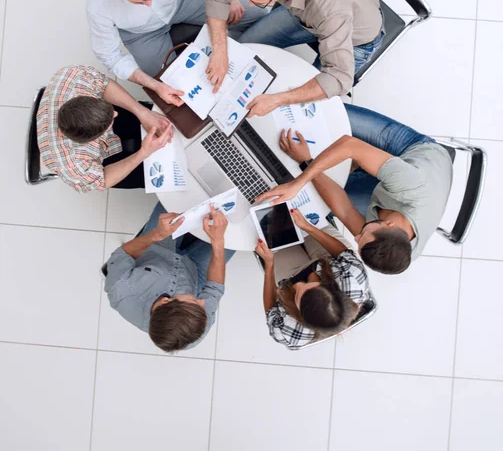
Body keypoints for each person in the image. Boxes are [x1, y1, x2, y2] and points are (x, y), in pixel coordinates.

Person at [257, 105, 453, 275]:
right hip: (416, 151)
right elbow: (349, 145)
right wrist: (297, 182)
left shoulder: (390, 250)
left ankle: (367, 166)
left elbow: (345, 210)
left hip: (399, 191)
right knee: (325, 111)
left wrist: (306, 161)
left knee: (321, 196)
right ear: (390, 225)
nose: (356, 236)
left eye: (358, 242)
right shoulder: (410, 185)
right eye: (363, 234)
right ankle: (368, 164)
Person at [87, 0, 266, 103]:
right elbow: (111, 57)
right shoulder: (99, 3)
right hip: (142, 34)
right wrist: (155, 86)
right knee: (174, 87)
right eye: (140, 2)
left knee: (257, 14)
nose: (149, 4)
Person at [205, 0, 383, 111]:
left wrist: (277, 100)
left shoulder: (331, 8)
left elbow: (338, 77)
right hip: (302, 13)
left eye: (258, 2)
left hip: (356, 37)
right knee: (245, 46)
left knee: (308, 102)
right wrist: (220, 51)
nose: (249, 5)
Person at [104, 202, 233, 352]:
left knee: (172, 199)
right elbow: (214, 289)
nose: (203, 300)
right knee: (234, 233)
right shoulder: (194, 327)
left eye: (194, 299)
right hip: (194, 275)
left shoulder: (121, 288)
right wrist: (218, 241)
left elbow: (123, 254)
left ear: (165, 301)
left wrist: (157, 234)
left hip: (157, 248)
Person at [37, 65, 172, 192]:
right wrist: (143, 153)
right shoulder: (73, 165)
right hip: (100, 162)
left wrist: (142, 112)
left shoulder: (75, 79)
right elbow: (104, 179)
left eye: (110, 111)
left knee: (160, 116)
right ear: (94, 139)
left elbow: (104, 85)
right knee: (163, 174)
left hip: (86, 110)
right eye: (111, 119)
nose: (116, 113)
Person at [254, 210, 369, 349]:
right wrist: (308, 227)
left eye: (298, 295)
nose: (299, 285)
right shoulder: (354, 279)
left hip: (290, 275)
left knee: (271, 231)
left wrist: (269, 264)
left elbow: (271, 310)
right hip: (328, 258)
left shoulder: (288, 333)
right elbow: (342, 253)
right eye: (309, 286)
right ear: (329, 287)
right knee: (307, 213)